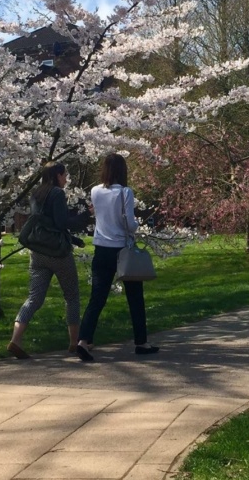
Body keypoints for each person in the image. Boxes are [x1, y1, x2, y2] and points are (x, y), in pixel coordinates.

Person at [76, 153, 159, 362]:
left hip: (101, 248)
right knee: (135, 297)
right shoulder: (125, 192)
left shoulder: (95, 191)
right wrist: (137, 225)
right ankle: (141, 342)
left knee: (97, 297)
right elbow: (129, 223)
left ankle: (83, 340)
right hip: (122, 250)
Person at [7, 161, 92, 359]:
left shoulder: (36, 194)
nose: (66, 179)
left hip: (38, 252)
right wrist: (86, 215)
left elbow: (47, 223)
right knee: (71, 296)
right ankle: (74, 342)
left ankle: (15, 340)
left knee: (34, 298)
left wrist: (74, 240)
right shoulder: (57, 193)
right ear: (57, 175)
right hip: (58, 253)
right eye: (64, 175)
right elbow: (62, 223)